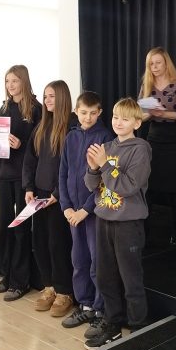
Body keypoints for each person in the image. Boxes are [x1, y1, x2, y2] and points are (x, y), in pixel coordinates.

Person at [83, 98, 151, 350]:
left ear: (137, 123)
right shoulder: (107, 147)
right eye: (115, 117)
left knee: (130, 278)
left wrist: (103, 164)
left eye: (125, 118)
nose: (118, 122)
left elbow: (128, 186)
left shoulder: (140, 149)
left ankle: (138, 326)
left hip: (127, 223)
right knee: (105, 276)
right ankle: (113, 323)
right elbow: (92, 186)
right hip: (104, 219)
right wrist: (93, 168)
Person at [0, 65, 42, 301]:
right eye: (7, 81)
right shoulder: (4, 107)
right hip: (4, 176)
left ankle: (20, 281)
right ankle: (7, 276)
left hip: (24, 179)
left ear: (24, 81)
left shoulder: (35, 108)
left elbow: (39, 146)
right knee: (5, 228)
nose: (10, 85)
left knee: (21, 229)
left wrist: (21, 145)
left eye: (15, 80)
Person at [59, 91, 112, 336]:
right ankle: (86, 304)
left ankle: (100, 310)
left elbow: (104, 181)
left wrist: (85, 210)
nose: (88, 117)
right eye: (83, 113)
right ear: (76, 112)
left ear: (99, 112)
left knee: (96, 261)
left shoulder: (105, 137)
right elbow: (63, 173)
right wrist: (66, 206)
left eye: (92, 113)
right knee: (79, 260)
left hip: (93, 212)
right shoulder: (71, 137)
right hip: (73, 211)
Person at [22, 80, 75, 318]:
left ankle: (64, 292)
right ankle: (49, 286)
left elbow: (72, 167)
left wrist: (57, 194)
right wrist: (29, 188)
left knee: (58, 244)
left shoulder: (72, 126)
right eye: (45, 97)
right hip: (40, 196)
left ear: (62, 97)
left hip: (60, 197)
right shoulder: (41, 126)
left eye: (52, 96)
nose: (47, 101)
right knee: (41, 242)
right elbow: (30, 160)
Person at [140, 47, 176, 244]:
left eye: (158, 63)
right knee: (150, 184)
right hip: (155, 137)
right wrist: (149, 114)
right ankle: (145, 231)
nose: (154, 67)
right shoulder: (147, 84)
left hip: (175, 138)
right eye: (151, 64)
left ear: (166, 63)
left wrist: (164, 114)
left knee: (175, 187)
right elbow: (140, 115)